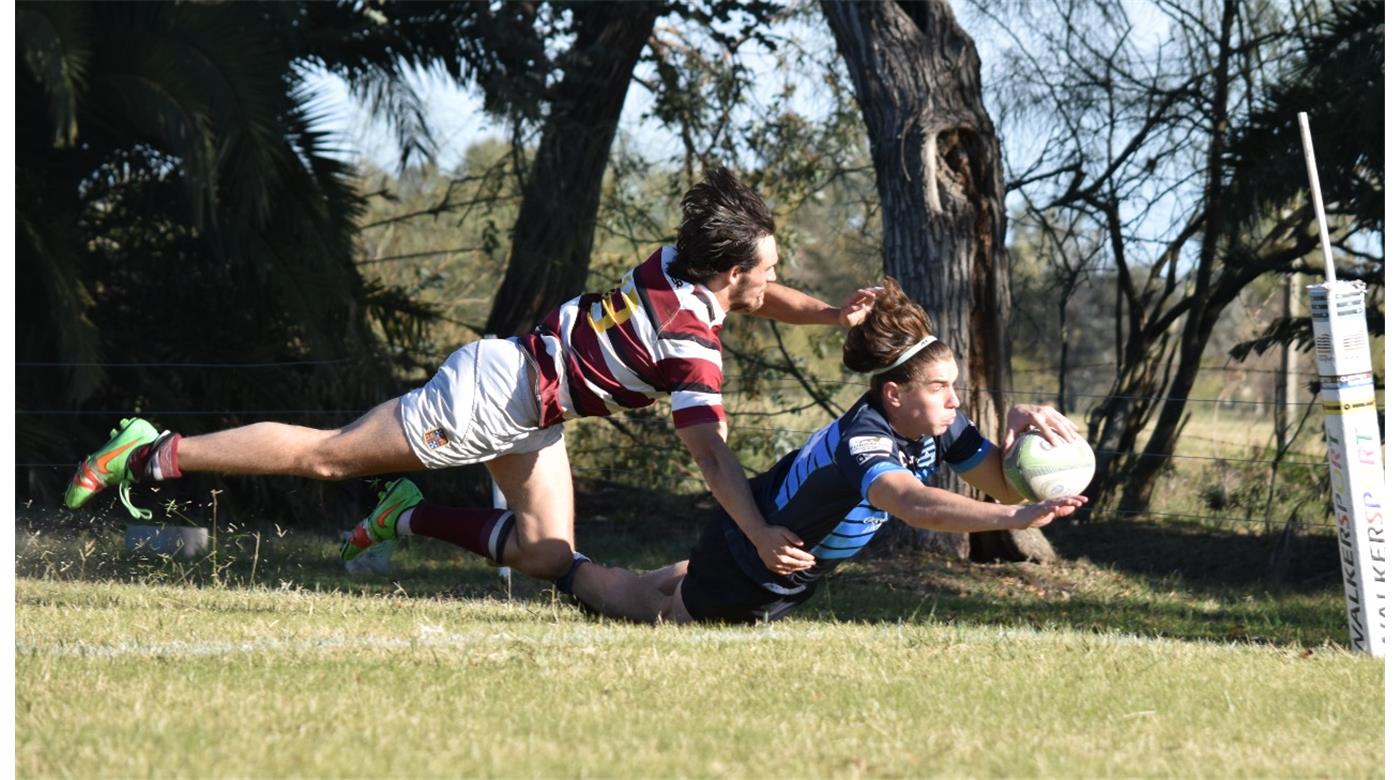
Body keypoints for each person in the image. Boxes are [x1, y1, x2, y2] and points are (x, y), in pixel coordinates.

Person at [64, 167, 878, 584]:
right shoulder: (691, 345)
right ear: (729, 270)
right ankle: (154, 451)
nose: (773, 278)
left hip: (531, 407)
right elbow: (712, 457)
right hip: (493, 396)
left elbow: (764, 298)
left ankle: (405, 519)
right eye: (764, 265)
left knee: (547, 557)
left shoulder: (674, 263)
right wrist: (757, 530)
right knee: (326, 455)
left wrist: (834, 313)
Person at [559, 278, 1086, 623]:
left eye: (954, 386)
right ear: (895, 394)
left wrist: (1023, 435)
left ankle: (583, 569)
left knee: (662, 585)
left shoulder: (938, 422)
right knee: (658, 618)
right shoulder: (865, 441)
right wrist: (1017, 515)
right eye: (939, 387)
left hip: (777, 556)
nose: (954, 400)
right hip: (754, 561)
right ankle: (560, 567)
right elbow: (913, 503)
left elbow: (1001, 480)